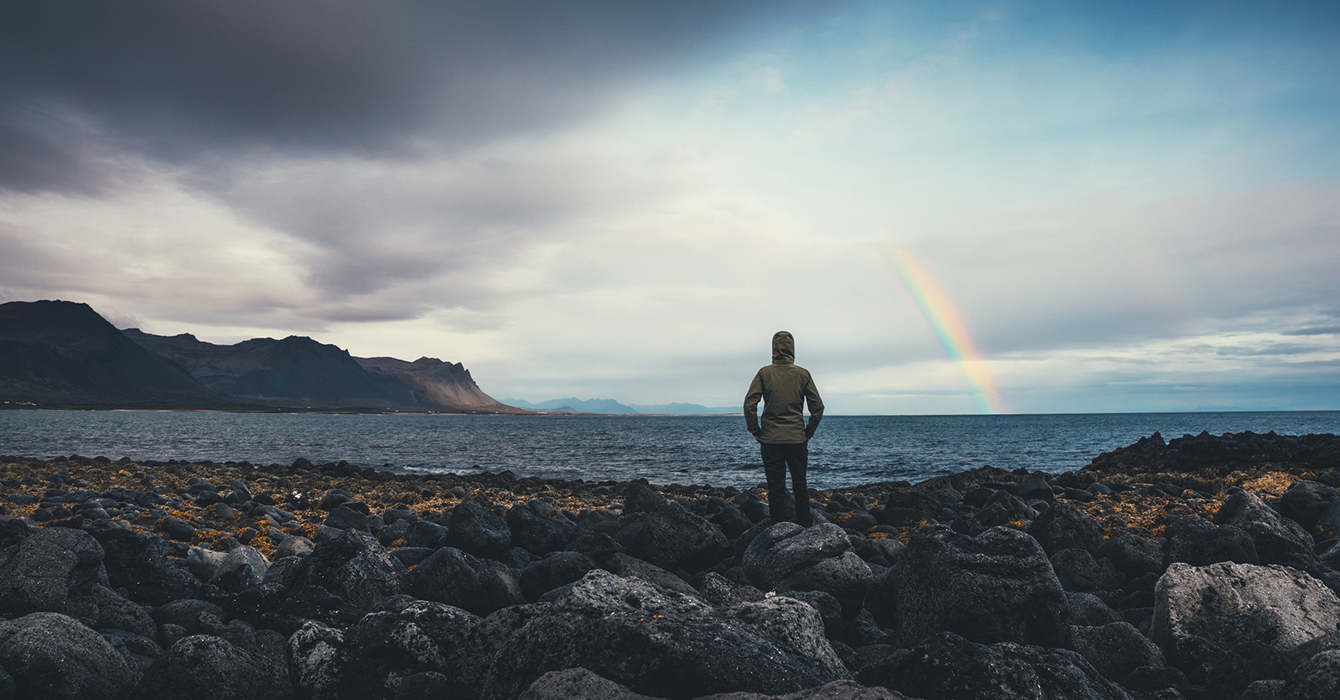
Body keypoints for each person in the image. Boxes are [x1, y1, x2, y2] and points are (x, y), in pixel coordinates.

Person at [744, 330, 824, 527]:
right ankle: (805, 526)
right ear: (792, 349)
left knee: (776, 487)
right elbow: (818, 408)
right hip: (797, 439)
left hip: (770, 440)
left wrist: (755, 431)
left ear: (773, 349)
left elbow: (749, 404)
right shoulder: (803, 374)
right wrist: (808, 433)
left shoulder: (764, 373)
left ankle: (779, 529)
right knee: (800, 485)